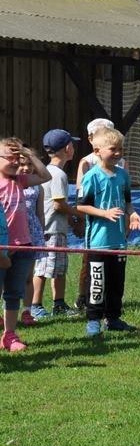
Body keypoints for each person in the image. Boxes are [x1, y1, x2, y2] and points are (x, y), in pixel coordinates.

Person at [75, 128, 140, 337]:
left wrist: (132, 214)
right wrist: (104, 213)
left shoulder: (123, 175)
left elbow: (128, 202)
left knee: (116, 282)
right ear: (97, 151)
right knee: (97, 282)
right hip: (98, 241)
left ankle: (113, 318)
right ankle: (93, 320)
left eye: (120, 149)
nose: (118, 153)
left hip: (119, 241)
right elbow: (81, 206)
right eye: (113, 149)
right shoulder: (91, 177)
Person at [0, 137, 51, 351]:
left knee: (14, 292)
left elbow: (45, 175)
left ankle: (9, 335)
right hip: (2, 247)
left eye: (17, 157)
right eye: (9, 157)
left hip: (23, 244)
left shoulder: (20, 180)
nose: (15, 161)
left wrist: (27, 154)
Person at [32, 129, 83, 319]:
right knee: (44, 269)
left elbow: (60, 205)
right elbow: (58, 205)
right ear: (67, 148)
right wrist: (82, 215)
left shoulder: (49, 171)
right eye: (72, 144)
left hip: (57, 229)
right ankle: (35, 306)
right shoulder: (58, 174)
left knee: (59, 268)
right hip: (50, 230)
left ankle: (59, 303)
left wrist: (72, 222)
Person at [74, 118, 124, 311]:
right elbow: (82, 196)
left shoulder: (121, 168)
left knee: (115, 273)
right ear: (92, 141)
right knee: (92, 265)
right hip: (97, 228)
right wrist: (101, 212)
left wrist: (129, 216)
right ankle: (86, 301)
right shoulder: (87, 164)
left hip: (117, 230)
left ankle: (113, 313)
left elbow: (125, 198)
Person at [18, 148, 46, 326]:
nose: (26, 168)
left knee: (29, 276)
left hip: (32, 234)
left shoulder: (37, 186)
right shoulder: (10, 183)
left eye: (30, 164)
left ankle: (26, 311)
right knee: (4, 277)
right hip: (12, 235)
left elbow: (40, 213)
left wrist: (41, 233)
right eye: (22, 164)